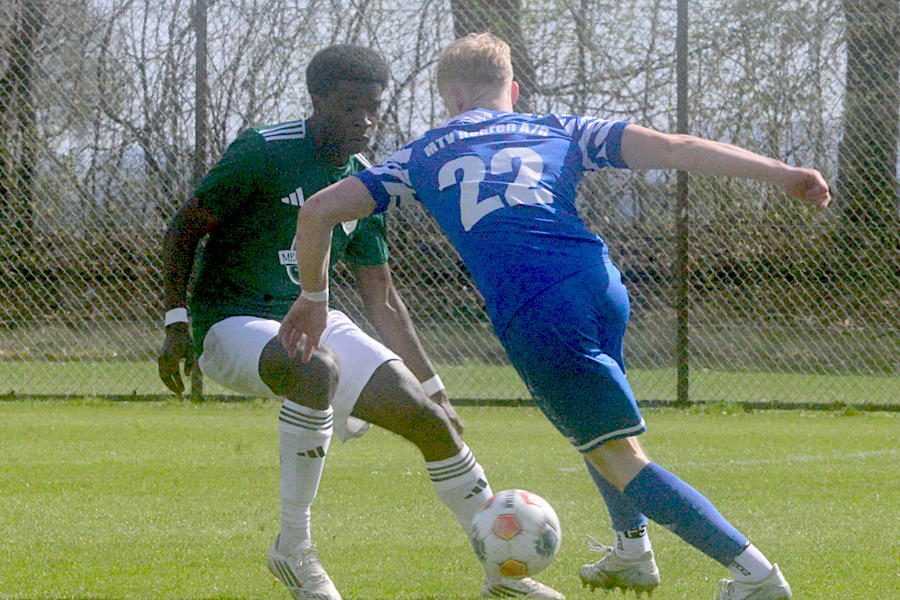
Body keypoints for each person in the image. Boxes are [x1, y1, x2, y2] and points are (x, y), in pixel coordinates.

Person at [278, 33, 832, 600]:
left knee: (617, 454)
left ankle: (756, 575)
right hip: (599, 283)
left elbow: (318, 210)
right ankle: (632, 551)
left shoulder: (420, 155)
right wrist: (782, 173)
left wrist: (315, 298)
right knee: (597, 433)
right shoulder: (560, 128)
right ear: (512, 90)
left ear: (453, 97)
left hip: (537, 306)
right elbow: (675, 147)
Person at [157, 44, 564, 600]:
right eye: (350, 108)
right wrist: (175, 323)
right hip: (231, 325)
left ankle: (502, 577)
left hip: (315, 324)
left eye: (373, 107)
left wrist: (434, 388)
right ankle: (293, 549)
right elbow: (184, 227)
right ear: (318, 100)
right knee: (315, 367)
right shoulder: (263, 152)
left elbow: (383, 297)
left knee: (430, 422)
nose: (365, 120)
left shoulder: (364, 181)